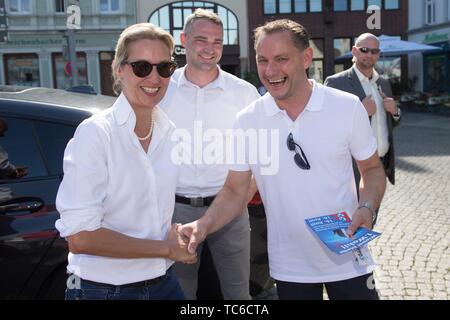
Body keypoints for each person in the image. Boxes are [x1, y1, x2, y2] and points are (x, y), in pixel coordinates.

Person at [178, 19, 387, 300]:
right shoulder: (248, 119)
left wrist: (367, 206)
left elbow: (372, 169)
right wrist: (202, 226)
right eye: (262, 60)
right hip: (290, 266)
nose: (270, 70)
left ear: (306, 58)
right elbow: (234, 190)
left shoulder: (346, 107)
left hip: (349, 256)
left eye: (281, 59)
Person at [55, 23, 196, 300]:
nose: (154, 77)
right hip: (104, 290)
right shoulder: (96, 133)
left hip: (163, 282)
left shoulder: (168, 132)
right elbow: (80, 238)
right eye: (142, 67)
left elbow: (144, 213)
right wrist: (165, 249)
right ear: (119, 69)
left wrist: (173, 232)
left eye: (164, 68)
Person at [159, 9, 260, 300]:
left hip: (230, 211)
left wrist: (240, 198)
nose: (210, 48)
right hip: (174, 211)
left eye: (217, 41)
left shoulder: (244, 93)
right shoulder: (162, 90)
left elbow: (258, 157)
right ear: (183, 40)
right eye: (202, 39)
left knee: (238, 293)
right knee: (181, 294)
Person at [324, 33, 400, 192]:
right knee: (353, 214)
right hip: (352, 166)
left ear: (378, 54)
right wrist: (361, 113)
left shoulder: (383, 84)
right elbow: (326, 125)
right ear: (354, 51)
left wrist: (395, 112)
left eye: (374, 51)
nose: (369, 55)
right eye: (364, 50)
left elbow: (389, 124)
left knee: (373, 213)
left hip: (381, 162)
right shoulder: (336, 82)